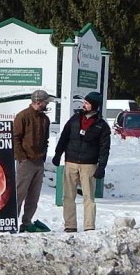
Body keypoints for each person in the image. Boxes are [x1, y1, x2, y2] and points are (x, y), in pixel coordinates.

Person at [52, 91, 110, 233]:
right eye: (84, 102)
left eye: (87, 103)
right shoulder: (74, 119)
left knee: (88, 197)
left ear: (94, 106)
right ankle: (70, 225)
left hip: (89, 164)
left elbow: (104, 148)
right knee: (68, 196)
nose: (84, 105)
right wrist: (57, 154)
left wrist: (101, 166)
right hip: (71, 161)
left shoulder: (101, 126)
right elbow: (64, 137)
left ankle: (89, 226)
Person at [13, 89, 52, 233]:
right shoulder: (22, 116)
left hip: (39, 162)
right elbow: (15, 138)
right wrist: (22, 157)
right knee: (19, 193)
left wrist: (43, 156)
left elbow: (46, 140)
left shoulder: (45, 119)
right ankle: (12, 221)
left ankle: (27, 222)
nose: (47, 104)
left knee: (34, 196)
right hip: (26, 162)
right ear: (38, 102)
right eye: (45, 102)